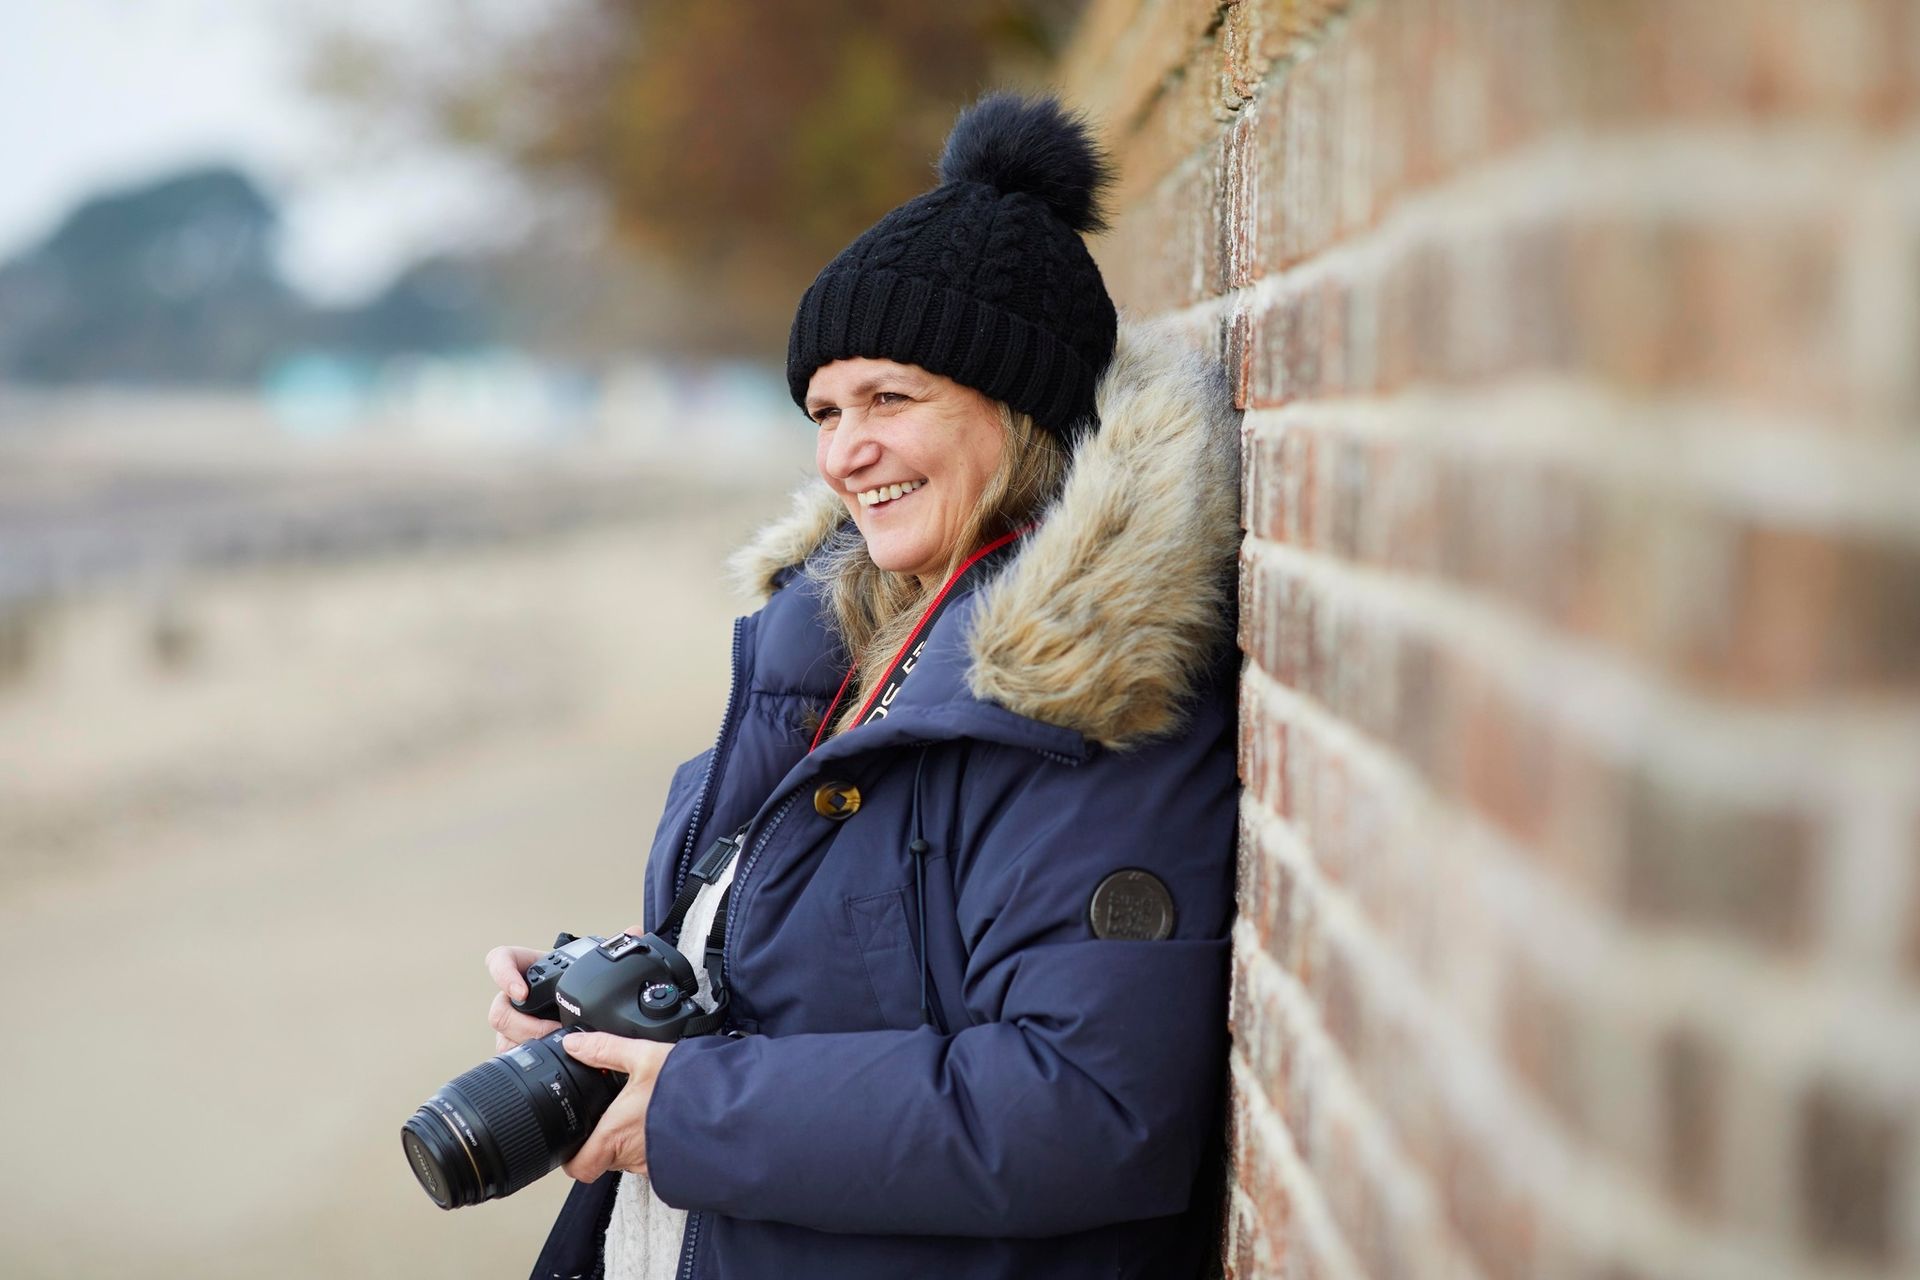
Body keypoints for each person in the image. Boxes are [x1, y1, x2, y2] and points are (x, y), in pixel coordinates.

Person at [485, 92, 1242, 1280]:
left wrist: (694, 1109)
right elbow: (840, 977)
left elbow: (1090, 1106)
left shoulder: (1089, 691)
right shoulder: (843, 648)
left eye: (892, 399)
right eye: (826, 411)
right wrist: (610, 1021)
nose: (844, 452)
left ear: (1023, 407)